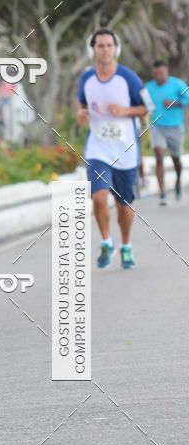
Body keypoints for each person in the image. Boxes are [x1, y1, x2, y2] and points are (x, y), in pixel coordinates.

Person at [76, 29, 147, 269]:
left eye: (109, 45)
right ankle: (106, 241)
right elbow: (82, 104)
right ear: (93, 49)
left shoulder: (129, 78)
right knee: (98, 196)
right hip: (98, 149)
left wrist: (125, 111)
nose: (105, 50)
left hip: (125, 150)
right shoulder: (87, 78)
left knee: (123, 205)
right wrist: (81, 114)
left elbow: (147, 107)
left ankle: (125, 245)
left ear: (116, 49)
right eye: (100, 46)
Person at [145, 60, 188, 204]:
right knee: (159, 156)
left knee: (176, 159)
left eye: (161, 73)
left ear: (166, 71)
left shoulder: (178, 84)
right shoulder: (148, 87)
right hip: (157, 126)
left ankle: (178, 181)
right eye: (156, 73)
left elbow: (187, 99)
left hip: (175, 127)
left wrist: (175, 104)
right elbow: (144, 104)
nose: (158, 76)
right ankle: (162, 193)